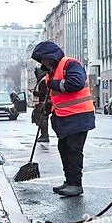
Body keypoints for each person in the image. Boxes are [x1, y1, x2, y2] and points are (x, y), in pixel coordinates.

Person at [31, 41, 95, 197]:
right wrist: (48, 107)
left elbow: (76, 83)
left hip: (79, 116)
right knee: (64, 149)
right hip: (65, 117)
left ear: (50, 57)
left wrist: (53, 83)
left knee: (73, 150)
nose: (43, 63)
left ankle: (76, 184)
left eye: (43, 59)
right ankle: (69, 181)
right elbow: (57, 97)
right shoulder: (50, 73)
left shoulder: (70, 64)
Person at [31, 66, 50, 143]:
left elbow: (43, 94)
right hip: (41, 103)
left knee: (43, 120)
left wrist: (35, 93)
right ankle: (43, 134)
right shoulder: (43, 80)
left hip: (42, 103)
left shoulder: (43, 81)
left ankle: (44, 135)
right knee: (41, 120)